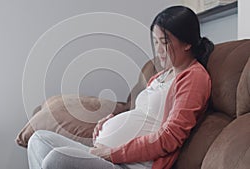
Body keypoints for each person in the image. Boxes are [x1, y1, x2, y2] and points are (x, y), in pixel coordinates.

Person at [27, 5, 214, 169]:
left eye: (164, 42)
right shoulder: (160, 76)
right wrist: (114, 121)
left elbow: (170, 137)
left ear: (188, 43)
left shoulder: (194, 77)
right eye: (155, 42)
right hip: (110, 155)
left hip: (132, 164)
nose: (158, 50)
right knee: (39, 139)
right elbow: (143, 116)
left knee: (57, 160)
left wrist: (111, 153)